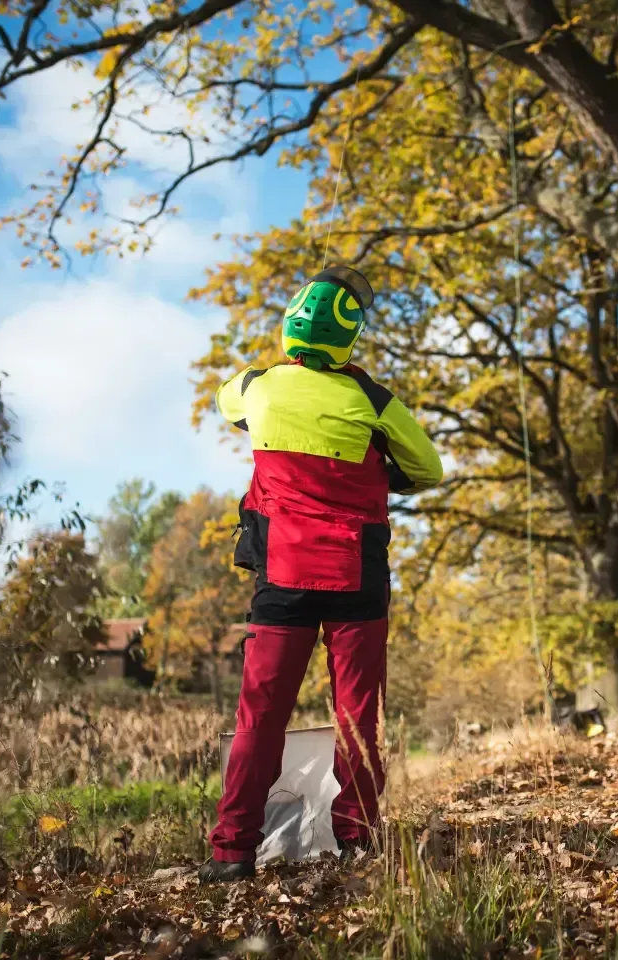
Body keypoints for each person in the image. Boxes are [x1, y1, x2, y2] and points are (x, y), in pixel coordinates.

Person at [198, 266, 442, 883]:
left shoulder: (257, 386)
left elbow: (225, 403)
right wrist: (378, 463)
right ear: (349, 338)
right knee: (358, 716)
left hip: (280, 577)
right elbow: (428, 467)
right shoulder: (371, 398)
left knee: (260, 716)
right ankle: (357, 839)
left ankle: (233, 853)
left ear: (290, 326)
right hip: (358, 575)